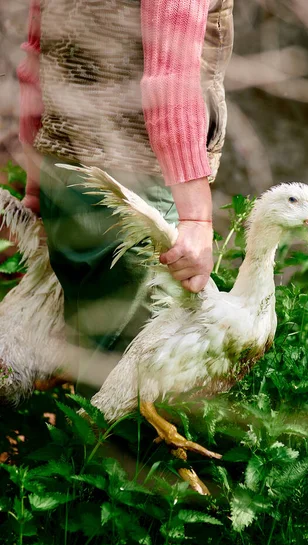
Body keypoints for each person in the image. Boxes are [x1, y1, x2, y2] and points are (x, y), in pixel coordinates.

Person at [17, 0, 233, 393]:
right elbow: (169, 81)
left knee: (93, 362)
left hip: (60, 171)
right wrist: (197, 218)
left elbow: (35, 54)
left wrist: (36, 181)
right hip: (136, 187)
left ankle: (77, 450)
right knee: (134, 386)